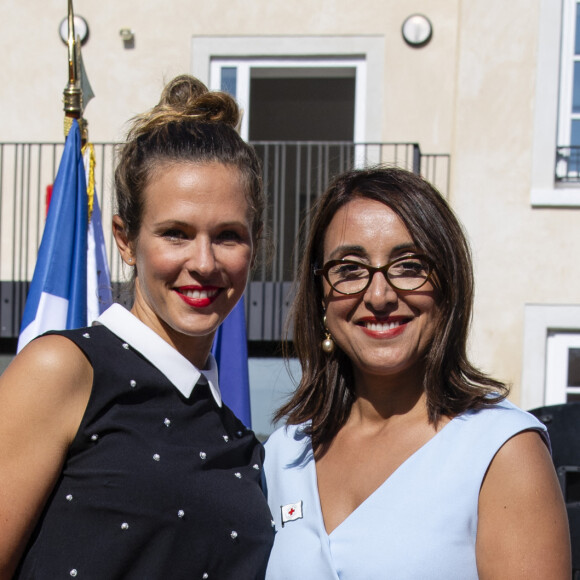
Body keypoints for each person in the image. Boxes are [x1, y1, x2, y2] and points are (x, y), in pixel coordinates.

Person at [0, 75, 274, 579]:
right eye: (176, 233)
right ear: (125, 240)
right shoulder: (61, 370)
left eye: (228, 236)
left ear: (254, 244)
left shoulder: (239, 438)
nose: (204, 262)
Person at [264, 166, 571, 579]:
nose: (379, 295)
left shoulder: (500, 451)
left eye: (409, 266)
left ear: (448, 283)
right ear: (320, 295)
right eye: (349, 269)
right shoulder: (284, 454)